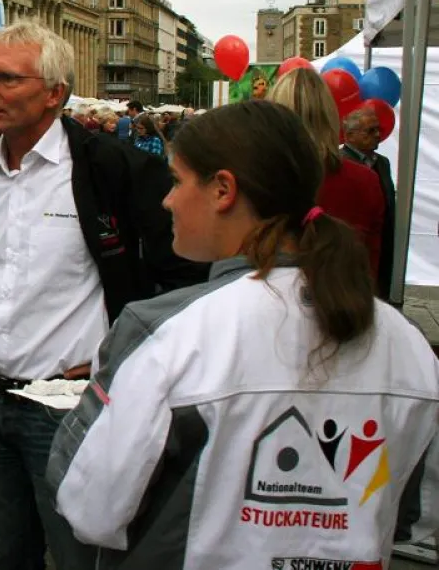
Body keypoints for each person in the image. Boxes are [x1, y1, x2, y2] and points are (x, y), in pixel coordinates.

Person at [47, 100, 439, 569]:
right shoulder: (408, 342)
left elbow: (90, 505)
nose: (167, 200)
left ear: (223, 190)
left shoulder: (167, 332)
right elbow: (407, 515)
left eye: (176, 181)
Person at [0, 20, 208, 570]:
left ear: (54, 94)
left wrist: (126, 360)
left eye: (8, 79)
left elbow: (182, 275)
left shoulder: (110, 168)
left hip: (66, 411)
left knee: (80, 559)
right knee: (2, 558)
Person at [268, 68, 384, 278]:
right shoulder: (365, 180)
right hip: (346, 300)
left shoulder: (256, 180)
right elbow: (373, 260)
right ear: (331, 115)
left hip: (266, 303)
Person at [343, 105, 396, 300]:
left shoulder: (382, 163)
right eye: (370, 131)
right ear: (350, 135)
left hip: (380, 241)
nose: (377, 135)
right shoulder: (341, 163)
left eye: (378, 129)